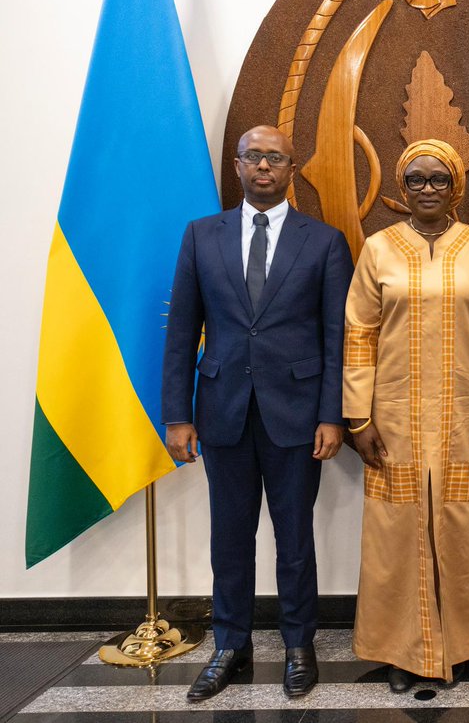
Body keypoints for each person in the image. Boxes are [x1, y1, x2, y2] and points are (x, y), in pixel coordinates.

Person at [162, 125, 353, 701]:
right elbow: (182, 333)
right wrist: (176, 414)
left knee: (294, 537)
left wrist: (333, 415)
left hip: (298, 416)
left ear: (291, 168)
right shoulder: (202, 236)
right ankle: (230, 645)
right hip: (221, 412)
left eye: (275, 158)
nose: (264, 166)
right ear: (238, 165)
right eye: (254, 157)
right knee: (230, 536)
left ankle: (299, 645)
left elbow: (335, 339)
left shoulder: (324, 242)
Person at [343, 139, 469, 693]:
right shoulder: (378, 248)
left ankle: (463, 647)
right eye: (415, 180)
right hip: (392, 420)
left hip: (464, 419)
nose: (426, 189)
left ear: (454, 188)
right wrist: (358, 419)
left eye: (437, 180)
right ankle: (400, 652)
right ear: (402, 187)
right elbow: (359, 335)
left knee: (464, 530)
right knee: (394, 537)